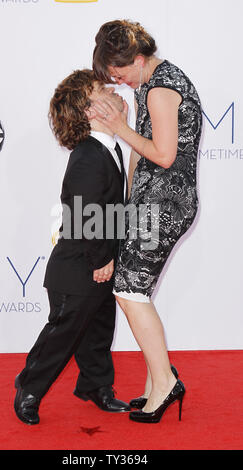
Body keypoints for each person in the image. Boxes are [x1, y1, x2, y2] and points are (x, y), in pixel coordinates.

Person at [92, 20, 202, 423]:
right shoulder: (147, 84)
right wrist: (125, 205)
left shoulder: (161, 87)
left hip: (166, 204)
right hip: (148, 202)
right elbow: (141, 154)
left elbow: (165, 154)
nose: (116, 80)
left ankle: (165, 383)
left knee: (131, 292)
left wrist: (119, 128)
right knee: (130, 290)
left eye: (118, 72)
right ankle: (159, 380)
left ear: (138, 60)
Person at [14, 69, 130, 425]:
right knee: (63, 334)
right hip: (79, 266)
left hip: (96, 261)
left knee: (97, 329)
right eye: (101, 89)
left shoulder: (108, 148)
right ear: (90, 110)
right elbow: (82, 213)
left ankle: (95, 386)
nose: (111, 90)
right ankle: (29, 387)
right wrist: (101, 259)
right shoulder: (88, 156)